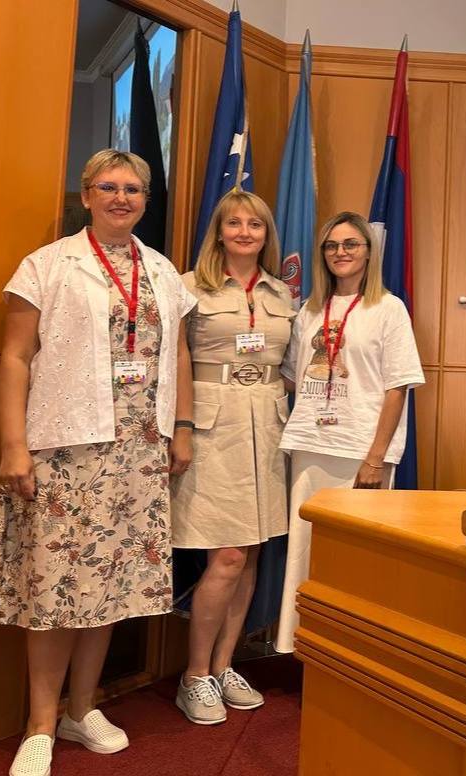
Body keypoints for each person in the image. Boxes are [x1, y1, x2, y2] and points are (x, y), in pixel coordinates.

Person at [0, 149, 196, 776]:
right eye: (109, 187)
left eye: (133, 189)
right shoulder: (47, 265)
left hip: (138, 451)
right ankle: (40, 725)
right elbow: (15, 357)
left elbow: (178, 354)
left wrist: (181, 428)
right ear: (87, 194)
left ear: (145, 199)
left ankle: (81, 708)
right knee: (53, 587)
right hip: (66, 448)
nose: (122, 198)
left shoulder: (162, 271)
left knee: (111, 585)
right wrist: (13, 445)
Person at [274, 211, 424, 654]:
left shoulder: (388, 309)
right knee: (305, 553)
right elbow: (291, 377)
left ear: (368, 252)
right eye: (332, 245)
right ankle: (304, 646)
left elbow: (398, 387)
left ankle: (354, 653)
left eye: (350, 244)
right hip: (310, 446)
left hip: (361, 452)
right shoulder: (310, 310)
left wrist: (375, 458)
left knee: (358, 559)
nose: (340, 252)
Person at [171, 190, 294, 725]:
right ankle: (194, 675)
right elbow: (172, 363)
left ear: (267, 235)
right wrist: (179, 428)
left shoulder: (282, 293)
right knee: (225, 556)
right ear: (218, 231)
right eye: (235, 223)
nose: (245, 232)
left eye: (256, 225)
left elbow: (293, 363)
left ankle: (224, 665)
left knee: (251, 553)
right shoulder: (186, 287)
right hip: (211, 429)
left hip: (266, 427)